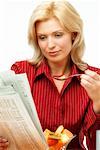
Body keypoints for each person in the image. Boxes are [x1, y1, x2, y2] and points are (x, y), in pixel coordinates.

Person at [0, 0, 100, 149]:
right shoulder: (21, 71)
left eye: (58, 35)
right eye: (42, 37)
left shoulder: (94, 78)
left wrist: (98, 101)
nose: (50, 45)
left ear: (74, 34)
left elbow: (94, 144)